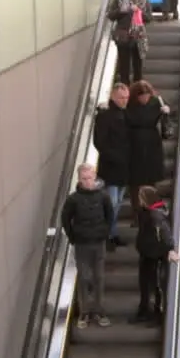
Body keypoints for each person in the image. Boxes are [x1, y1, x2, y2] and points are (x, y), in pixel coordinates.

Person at [61, 163, 114, 328]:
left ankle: (99, 311)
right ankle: (84, 312)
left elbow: (110, 216)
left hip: (98, 242)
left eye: (90, 178)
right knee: (84, 278)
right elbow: (65, 219)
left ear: (95, 176)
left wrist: (105, 233)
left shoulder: (103, 196)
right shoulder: (73, 199)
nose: (87, 181)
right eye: (84, 179)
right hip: (82, 244)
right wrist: (73, 237)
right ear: (79, 179)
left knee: (99, 277)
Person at [133, 184, 180, 324]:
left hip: (153, 254)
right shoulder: (149, 212)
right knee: (147, 284)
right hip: (148, 252)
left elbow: (165, 233)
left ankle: (155, 312)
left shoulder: (155, 215)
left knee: (153, 284)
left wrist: (170, 249)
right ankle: (145, 310)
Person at [126, 81, 171, 221]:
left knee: (151, 179)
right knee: (135, 181)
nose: (144, 99)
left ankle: (151, 213)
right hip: (134, 143)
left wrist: (167, 111)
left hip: (152, 143)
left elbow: (166, 110)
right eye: (141, 96)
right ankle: (137, 214)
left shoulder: (156, 101)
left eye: (146, 96)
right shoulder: (129, 105)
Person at [94, 83, 131, 250]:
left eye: (126, 98)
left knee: (117, 203)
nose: (124, 101)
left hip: (123, 169)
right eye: (122, 98)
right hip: (110, 168)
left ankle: (113, 234)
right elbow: (99, 142)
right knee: (112, 203)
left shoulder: (127, 115)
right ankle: (107, 235)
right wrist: (116, 157)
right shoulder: (105, 116)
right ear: (113, 97)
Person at [108, 0, 152, 85]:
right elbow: (110, 15)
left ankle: (137, 91)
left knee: (138, 67)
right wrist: (121, 11)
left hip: (138, 36)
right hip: (123, 36)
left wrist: (139, 12)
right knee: (124, 68)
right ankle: (125, 89)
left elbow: (149, 17)